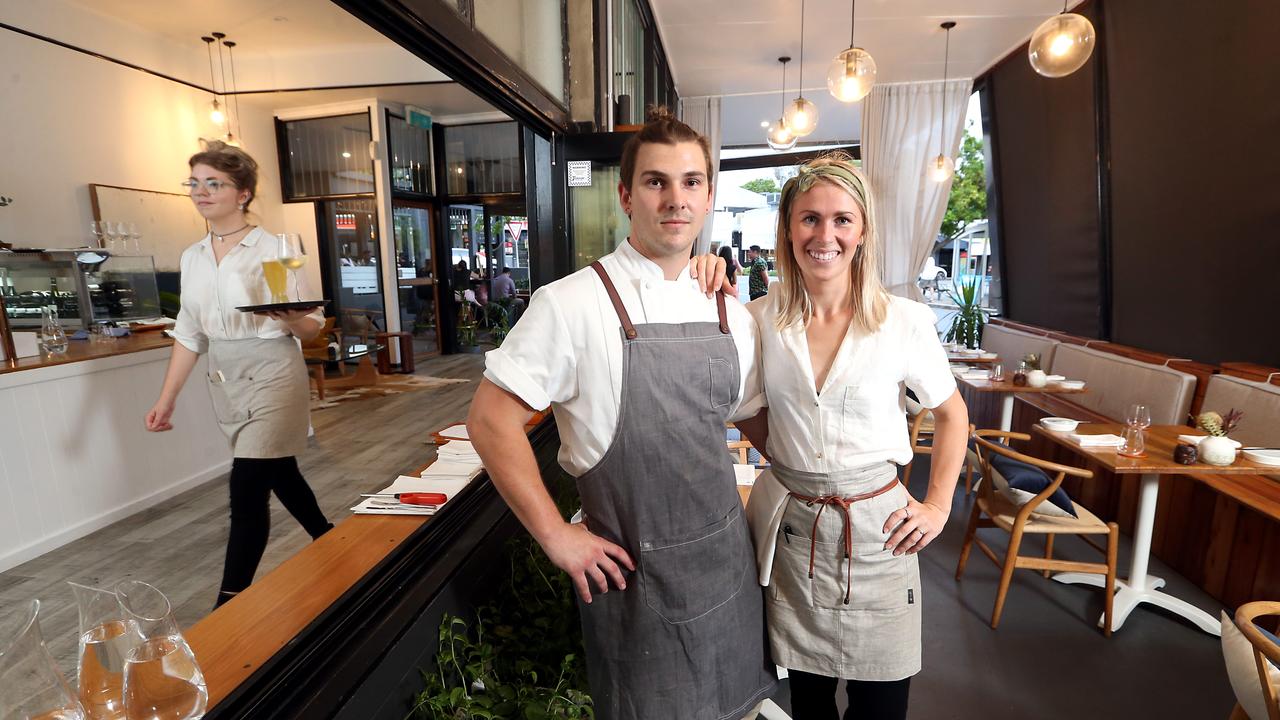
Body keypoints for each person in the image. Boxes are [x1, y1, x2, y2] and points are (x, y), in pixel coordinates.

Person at [466, 107, 776, 720]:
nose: (675, 199)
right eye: (657, 181)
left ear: (709, 195)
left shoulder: (729, 312)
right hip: (634, 577)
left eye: (691, 182)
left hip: (725, 564)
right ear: (626, 194)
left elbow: (751, 418)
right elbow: (489, 420)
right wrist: (555, 535)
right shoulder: (571, 304)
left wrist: (839, 481)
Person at [697, 155, 968, 720]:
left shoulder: (904, 321)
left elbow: (952, 414)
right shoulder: (758, 319)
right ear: (788, 229)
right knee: (810, 702)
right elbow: (745, 406)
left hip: (881, 530)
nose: (825, 235)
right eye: (809, 219)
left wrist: (939, 505)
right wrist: (795, 457)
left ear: (863, 230)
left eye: (842, 219)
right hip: (795, 531)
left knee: (882, 703)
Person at [145, 140, 333, 609]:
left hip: (272, 369)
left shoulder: (272, 249)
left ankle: (228, 603)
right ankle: (329, 539)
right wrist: (166, 398)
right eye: (195, 183)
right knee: (279, 469)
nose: (201, 192)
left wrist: (289, 316)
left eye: (215, 183)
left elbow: (309, 326)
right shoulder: (191, 257)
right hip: (224, 375)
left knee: (248, 483)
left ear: (243, 193)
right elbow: (189, 333)